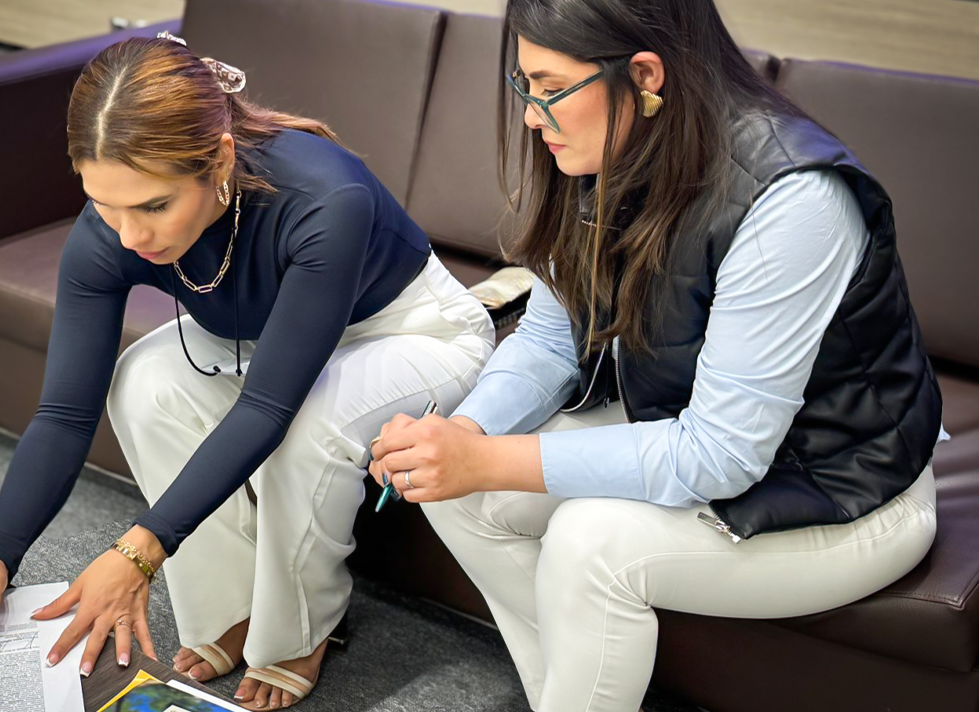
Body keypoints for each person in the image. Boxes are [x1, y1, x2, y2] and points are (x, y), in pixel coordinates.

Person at [368, 1, 944, 710]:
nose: (529, 114)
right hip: (693, 431)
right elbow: (552, 341)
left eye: (549, 88)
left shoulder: (795, 200)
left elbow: (720, 453)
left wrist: (486, 459)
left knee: (590, 543)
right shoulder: (605, 145)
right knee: (460, 496)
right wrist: (466, 436)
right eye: (523, 85)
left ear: (643, 75)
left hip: (845, 488)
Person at [0, 33, 494, 709]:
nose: (129, 236)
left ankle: (300, 631)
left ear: (219, 158)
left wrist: (137, 552)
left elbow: (267, 409)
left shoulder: (324, 199)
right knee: (142, 378)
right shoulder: (112, 227)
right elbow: (65, 412)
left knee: (314, 422)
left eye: (153, 206)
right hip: (274, 335)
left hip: (413, 331)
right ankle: (230, 611)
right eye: (104, 203)